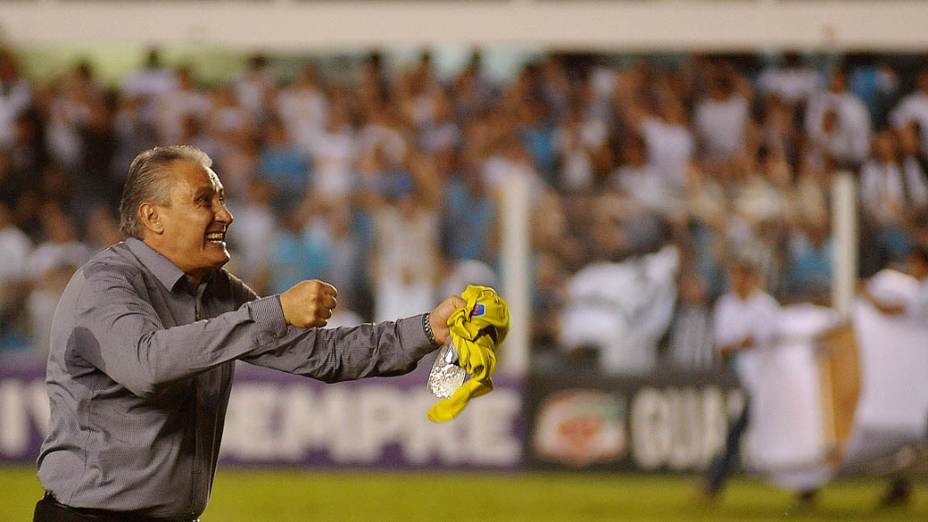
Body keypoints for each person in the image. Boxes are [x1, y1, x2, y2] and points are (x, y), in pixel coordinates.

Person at [33, 145, 464, 522]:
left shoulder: (214, 289)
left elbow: (325, 353)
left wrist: (429, 328)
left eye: (222, 199)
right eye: (205, 201)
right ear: (153, 217)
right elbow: (149, 363)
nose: (226, 214)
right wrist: (274, 311)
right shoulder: (105, 284)